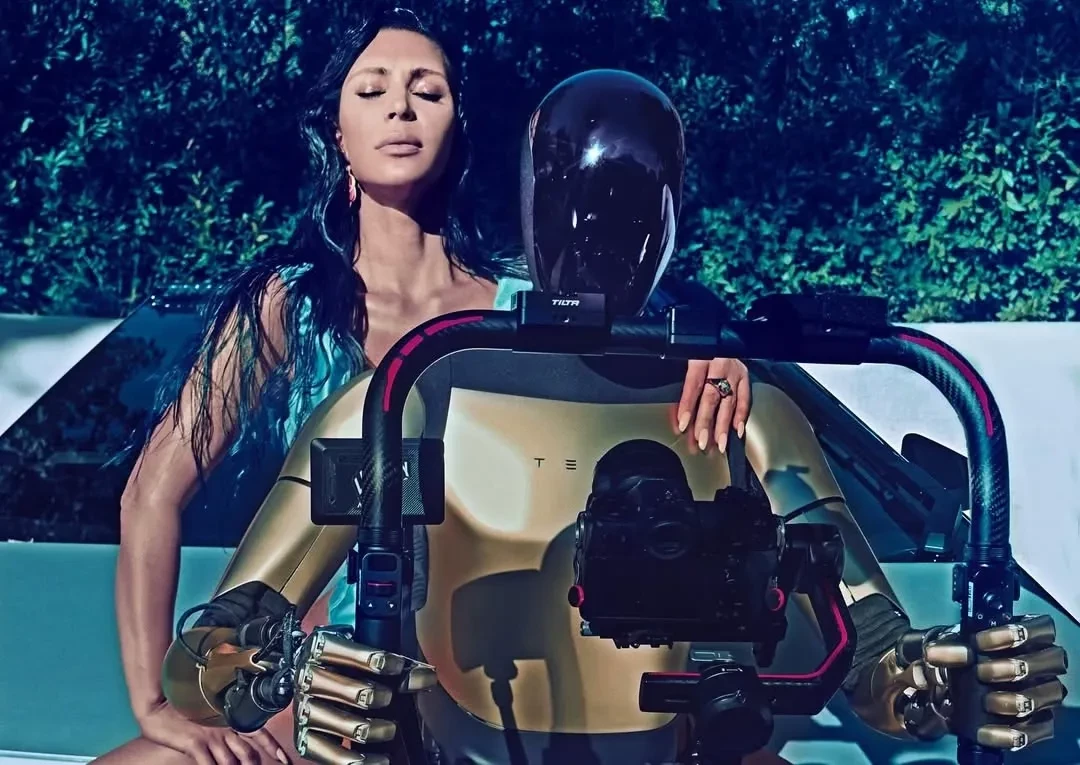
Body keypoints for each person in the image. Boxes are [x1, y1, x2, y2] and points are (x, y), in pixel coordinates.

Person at [147, 68, 1067, 765]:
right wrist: (286, 669)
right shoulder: (416, 395)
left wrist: (938, 679)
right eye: (577, 194)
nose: (597, 228)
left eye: (629, 201)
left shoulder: (733, 404)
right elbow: (204, 657)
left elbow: (870, 652)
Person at [93, 10, 751, 765]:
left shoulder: (527, 304)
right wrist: (153, 704)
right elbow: (149, 493)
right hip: (334, 694)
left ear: (456, 127)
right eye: (372, 90)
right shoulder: (287, 304)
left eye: (427, 91)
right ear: (336, 132)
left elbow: (644, 388)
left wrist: (717, 354)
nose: (400, 109)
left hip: (508, 688)